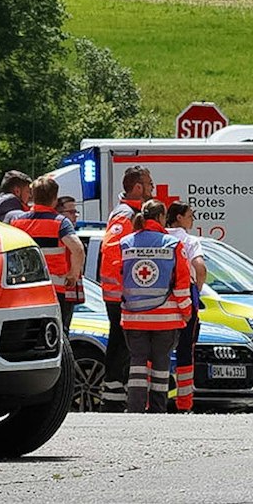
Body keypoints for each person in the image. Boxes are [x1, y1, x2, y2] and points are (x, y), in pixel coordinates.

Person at [117, 200, 192, 413]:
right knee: (161, 364)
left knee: (137, 363)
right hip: (165, 318)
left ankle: (135, 408)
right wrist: (186, 312)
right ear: (161, 218)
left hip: (133, 318)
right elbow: (182, 283)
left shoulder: (125, 243)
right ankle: (158, 410)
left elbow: (117, 277)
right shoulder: (172, 244)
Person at [96, 165, 154, 410]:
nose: (153, 188)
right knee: (121, 344)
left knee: (124, 345)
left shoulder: (131, 212)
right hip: (120, 293)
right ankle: (112, 395)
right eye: (149, 184)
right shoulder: (124, 215)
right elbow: (111, 252)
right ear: (138, 187)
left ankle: (116, 394)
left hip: (123, 292)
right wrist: (127, 283)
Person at [8, 177, 85, 328]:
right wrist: (73, 274)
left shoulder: (17, 222)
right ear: (55, 199)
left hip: (25, 289)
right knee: (56, 333)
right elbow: (78, 249)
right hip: (54, 289)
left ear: (33, 196)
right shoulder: (60, 222)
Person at [163, 202, 209, 412]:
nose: (192, 220)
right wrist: (196, 290)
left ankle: (152, 400)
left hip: (159, 298)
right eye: (190, 215)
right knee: (184, 351)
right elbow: (200, 267)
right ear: (179, 218)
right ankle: (184, 404)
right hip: (185, 298)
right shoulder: (189, 241)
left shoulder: (159, 237)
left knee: (156, 351)